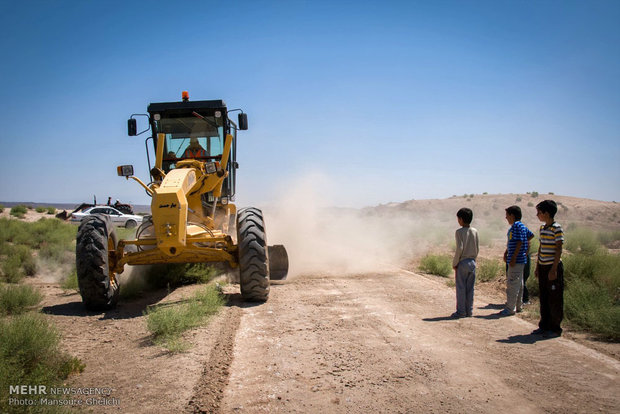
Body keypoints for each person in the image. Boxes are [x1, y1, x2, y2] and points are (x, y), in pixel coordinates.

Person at [532, 200, 564, 338]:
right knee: (544, 297)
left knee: (554, 298)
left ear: (546, 213)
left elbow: (558, 249)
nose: (537, 215)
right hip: (543, 267)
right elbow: (541, 248)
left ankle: (555, 328)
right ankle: (544, 325)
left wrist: (554, 269)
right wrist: (538, 266)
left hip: (552, 267)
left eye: (539, 212)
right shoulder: (542, 228)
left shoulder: (557, 228)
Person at [500, 206, 532, 316]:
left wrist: (513, 257)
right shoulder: (521, 226)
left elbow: (519, 241)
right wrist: (508, 252)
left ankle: (510, 309)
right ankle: (518, 306)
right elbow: (530, 236)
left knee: (512, 284)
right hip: (521, 259)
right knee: (519, 284)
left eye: (507, 215)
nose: (506, 217)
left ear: (512, 216)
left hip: (516, 260)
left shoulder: (516, 226)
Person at [451, 208, 479, 318]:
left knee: (461, 288)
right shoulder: (475, 231)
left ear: (461, 219)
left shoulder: (459, 232)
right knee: (470, 288)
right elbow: (477, 248)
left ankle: (461, 312)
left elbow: (459, 248)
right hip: (472, 262)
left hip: (462, 262)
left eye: (458, 218)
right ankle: (469, 311)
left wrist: (455, 262)